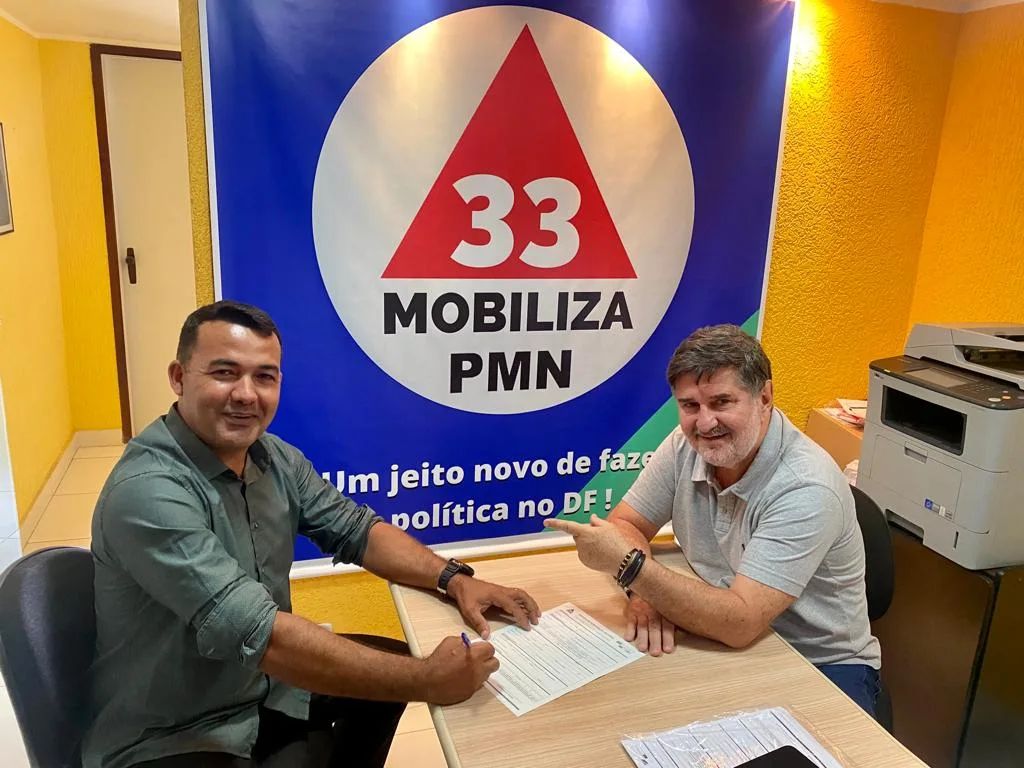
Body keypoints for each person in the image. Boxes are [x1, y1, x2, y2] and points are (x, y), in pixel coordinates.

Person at [84, 300, 540, 768]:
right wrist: (427, 680)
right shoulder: (149, 492)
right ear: (179, 377)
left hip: (261, 688)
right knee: (404, 674)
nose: (246, 394)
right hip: (177, 731)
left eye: (264, 377)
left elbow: (357, 530)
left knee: (392, 666)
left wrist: (454, 579)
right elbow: (262, 635)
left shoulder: (273, 457)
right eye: (224, 373)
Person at [545, 324, 881, 716]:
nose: (705, 423)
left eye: (722, 402)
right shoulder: (684, 444)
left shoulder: (806, 487)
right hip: (727, 639)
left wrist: (635, 571)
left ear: (764, 398)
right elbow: (627, 525)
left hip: (821, 665)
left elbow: (740, 621)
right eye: (690, 406)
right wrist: (644, 594)